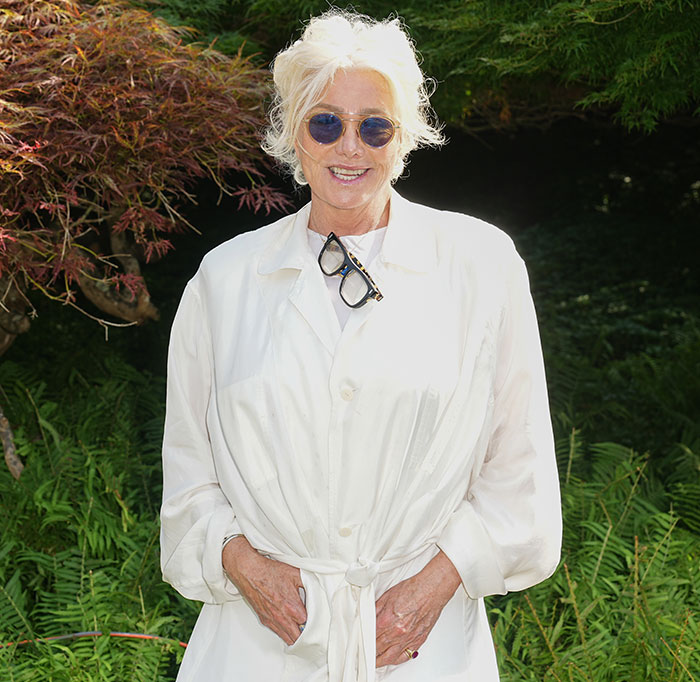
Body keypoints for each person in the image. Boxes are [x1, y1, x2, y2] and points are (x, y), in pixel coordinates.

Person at [160, 10, 562, 682]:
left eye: (374, 125)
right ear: (295, 132)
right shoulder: (224, 281)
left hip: (422, 650)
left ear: (402, 138)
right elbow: (188, 480)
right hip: (258, 647)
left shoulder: (480, 265)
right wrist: (242, 564)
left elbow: (518, 476)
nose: (350, 147)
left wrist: (432, 587)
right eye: (326, 122)